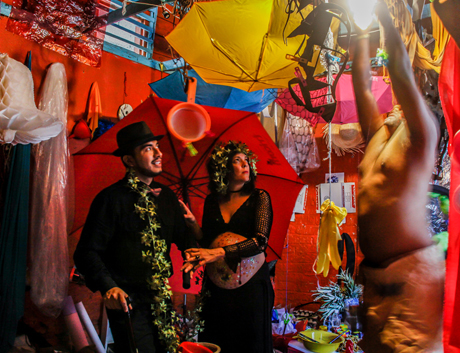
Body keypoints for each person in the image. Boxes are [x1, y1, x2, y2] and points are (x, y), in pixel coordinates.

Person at [351, 2, 445, 352]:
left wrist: (386, 20)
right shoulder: (379, 132)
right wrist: (359, 27)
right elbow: (361, 81)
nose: (391, 83)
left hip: (412, 281)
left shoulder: (424, 132)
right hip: (376, 281)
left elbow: (402, 72)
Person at [74, 121, 195, 353]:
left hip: (162, 297)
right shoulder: (110, 199)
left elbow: (184, 237)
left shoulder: (168, 197)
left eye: (157, 146)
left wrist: (190, 251)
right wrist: (108, 287)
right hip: (127, 302)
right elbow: (86, 252)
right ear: (129, 160)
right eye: (148, 148)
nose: (159, 153)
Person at [181, 140, 274, 353]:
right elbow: (207, 243)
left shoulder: (260, 198)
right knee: (216, 342)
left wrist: (220, 252)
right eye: (237, 160)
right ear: (223, 168)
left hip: (250, 290)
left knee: (249, 345)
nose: (245, 164)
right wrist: (193, 224)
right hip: (216, 290)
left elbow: (260, 242)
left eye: (247, 161)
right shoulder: (212, 201)